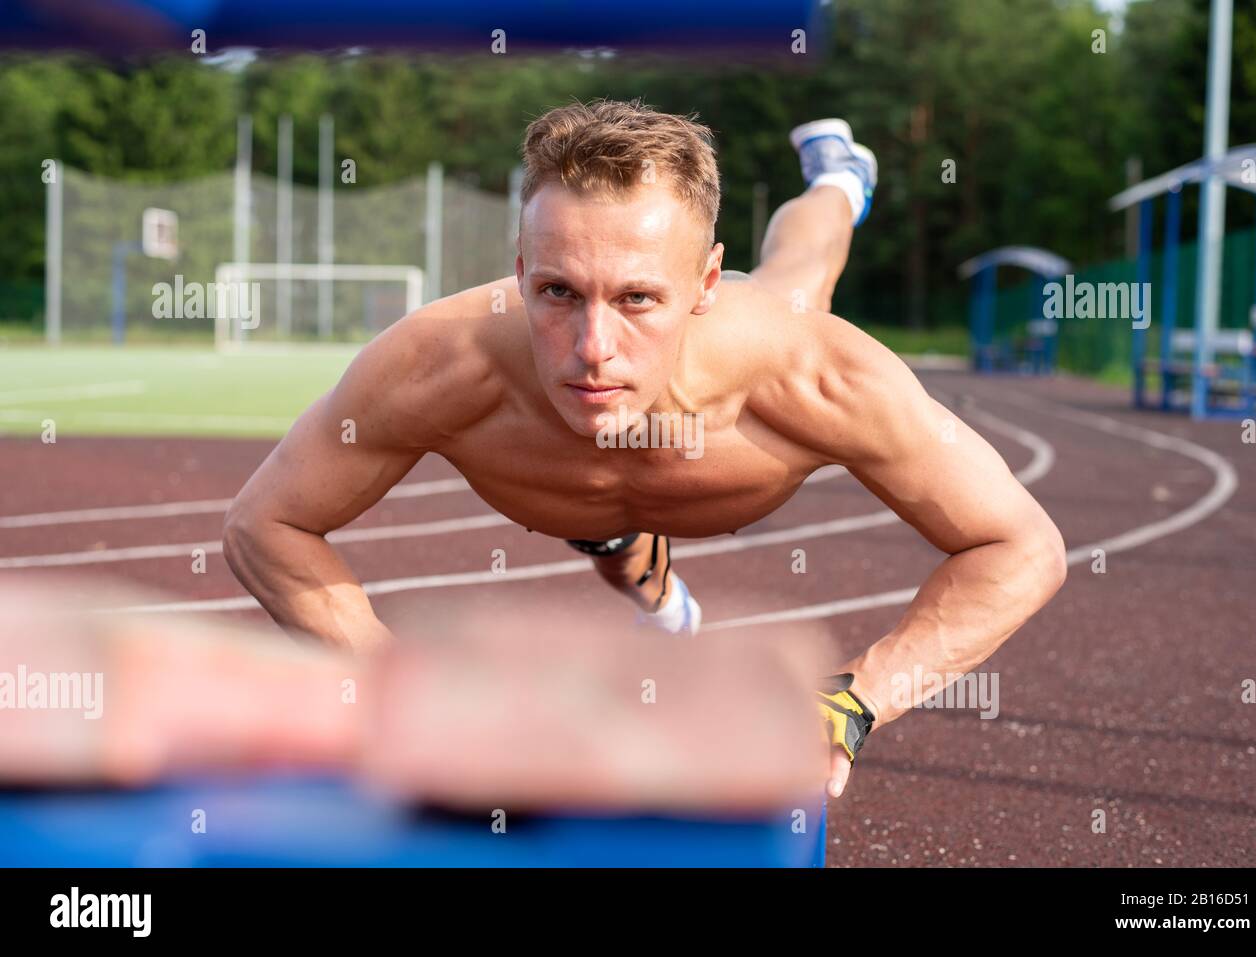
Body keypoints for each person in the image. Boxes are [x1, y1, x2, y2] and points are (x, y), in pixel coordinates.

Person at [223, 99, 1067, 798]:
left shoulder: (815, 374)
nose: (594, 347)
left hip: (729, 381)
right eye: (557, 291)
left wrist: (854, 699)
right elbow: (265, 526)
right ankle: (656, 591)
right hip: (591, 500)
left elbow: (1021, 547)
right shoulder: (432, 365)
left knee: (800, 272)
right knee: (617, 545)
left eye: (637, 298)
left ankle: (844, 178)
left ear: (705, 285)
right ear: (518, 270)